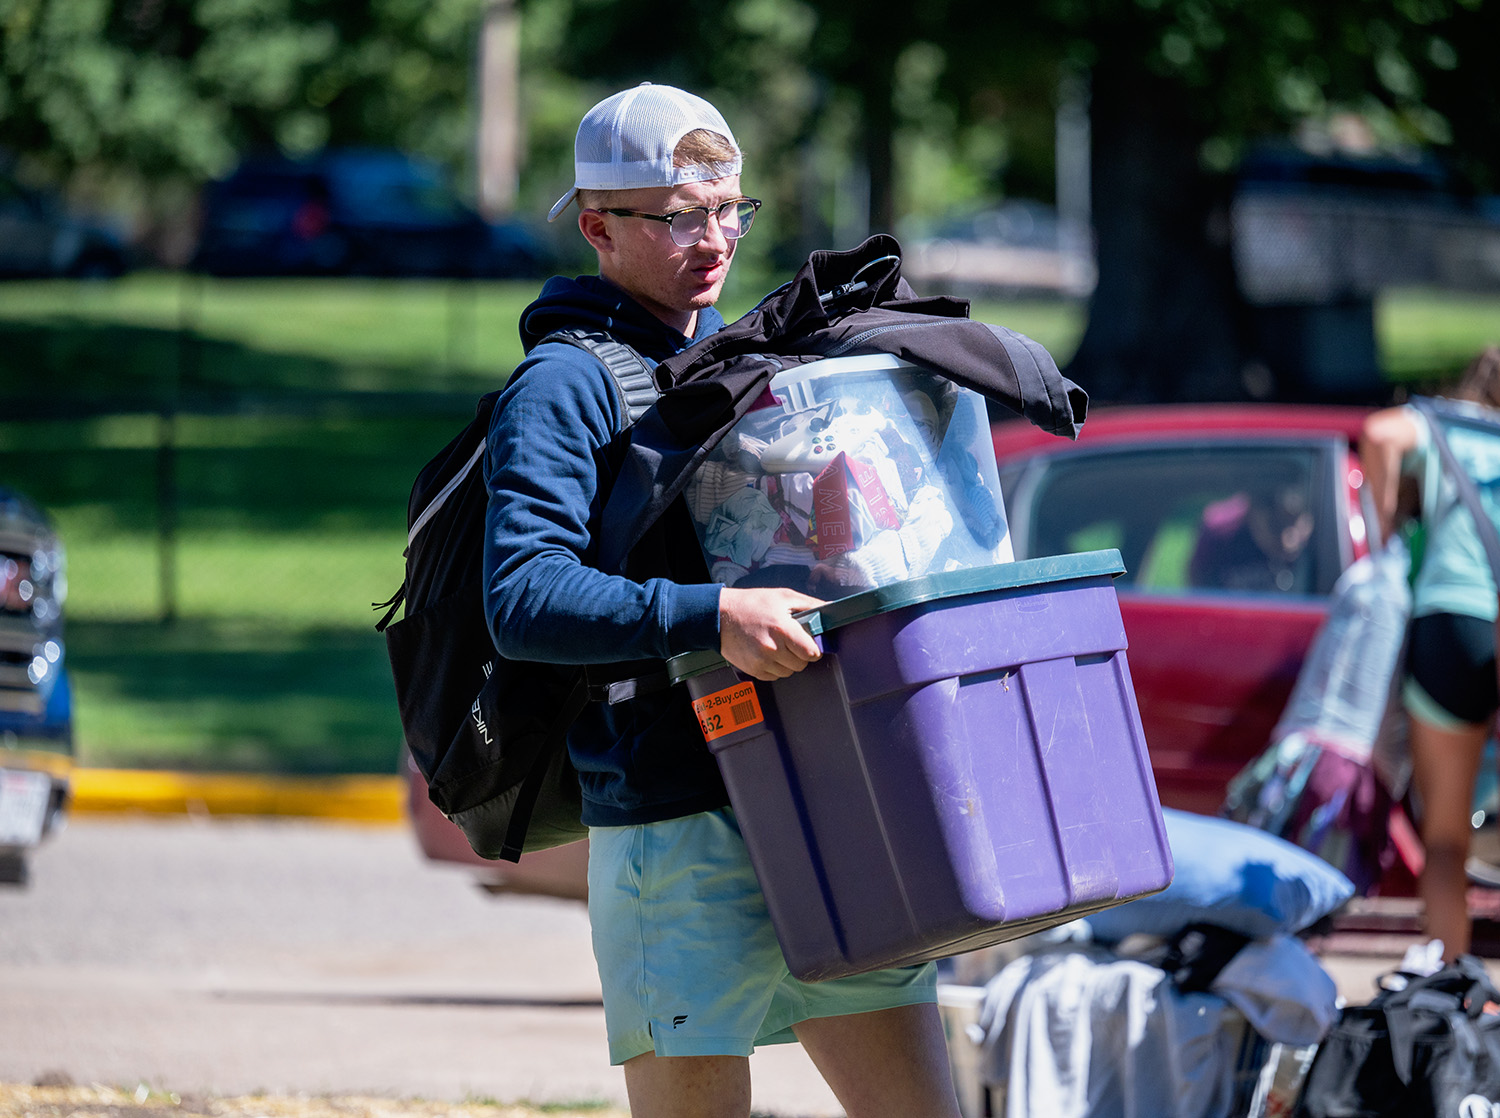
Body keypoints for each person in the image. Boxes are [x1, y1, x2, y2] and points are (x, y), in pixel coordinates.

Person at [481, 83, 961, 1118]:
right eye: (679, 216)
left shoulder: (743, 358)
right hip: (673, 826)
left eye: (729, 210)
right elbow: (521, 595)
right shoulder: (563, 385)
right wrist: (713, 617)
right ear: (600, 227)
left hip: (827, 801)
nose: (715, 239)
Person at [1359, 345, 1500, 961]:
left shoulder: (1446, 426)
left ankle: (1450, 987)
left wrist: (1385, 530)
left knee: (1445, 838)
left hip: (1451, 619)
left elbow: (1377, 431)